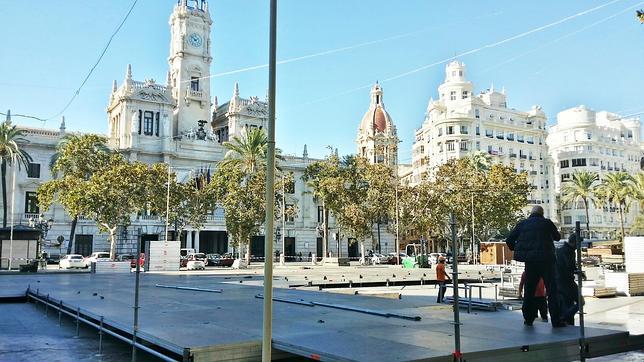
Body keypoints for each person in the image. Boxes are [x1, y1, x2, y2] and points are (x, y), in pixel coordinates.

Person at [506, 205, 564, 327]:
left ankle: (528, 319)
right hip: (547, 261)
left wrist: (518, 248)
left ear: (531, 214)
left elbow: (509, 240)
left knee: (529, 290)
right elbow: (557, 237)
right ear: (542, 214)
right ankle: (556, 320)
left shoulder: (523, 224)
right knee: (552, 291)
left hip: (530, 262)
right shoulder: (547, 223)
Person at [556, 233, 583, 325]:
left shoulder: (560, 250)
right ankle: (565, 316)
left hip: (559, 282)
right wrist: (579, 272)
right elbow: (569, 267)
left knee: (567, 303)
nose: (579, 246)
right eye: (578, 243)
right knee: (581, 301)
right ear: (574, 243)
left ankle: (567, 318)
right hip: (566, 281)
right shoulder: (569, 251)